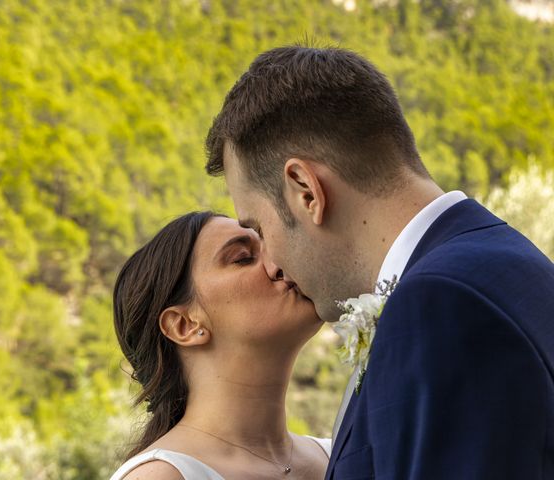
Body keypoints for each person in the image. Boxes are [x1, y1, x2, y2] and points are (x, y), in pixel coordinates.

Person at [206, 45, 554, 479]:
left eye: (259, 227)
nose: (271, 265)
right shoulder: (502, 263)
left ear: (305, 191)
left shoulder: (441, 306)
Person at [110, 212, 331, 480]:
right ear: (184, 325)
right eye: (243, 258)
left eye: (273, 246)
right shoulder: (160, 476)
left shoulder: (338, 453)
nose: (280, 262)